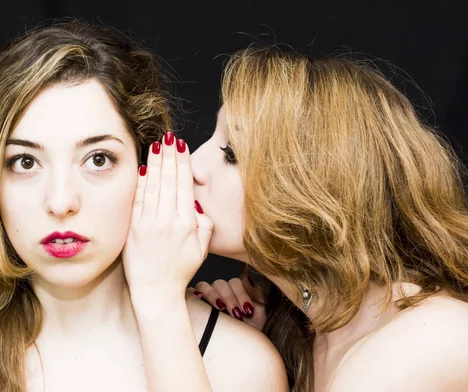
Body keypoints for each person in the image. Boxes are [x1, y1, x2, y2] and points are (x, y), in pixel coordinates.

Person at [0, 22, 287, 392]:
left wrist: (161, 306)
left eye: (98, 159)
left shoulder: (240, 368)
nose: (61, 202)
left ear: (150, 167)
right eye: (25, 163)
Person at [124, 47, 468, 392]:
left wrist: (160, 302)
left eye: (232, 154)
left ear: (319, 182)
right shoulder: (316, 337)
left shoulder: (426, 343)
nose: (194, 167)